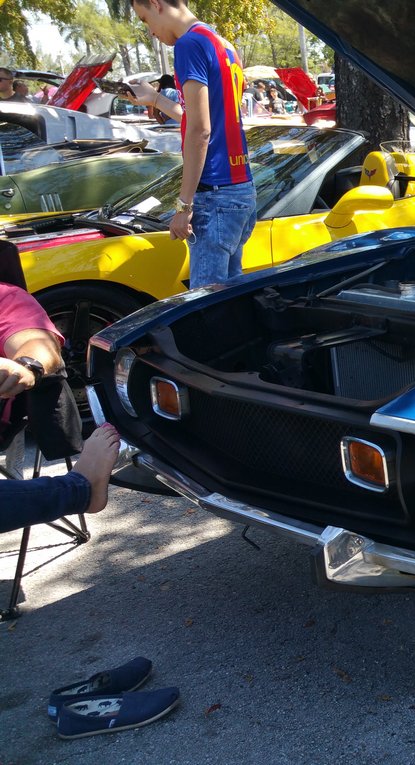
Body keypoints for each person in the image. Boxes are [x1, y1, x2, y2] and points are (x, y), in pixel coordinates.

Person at [126, 0, 255, 289]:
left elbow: (200, 131)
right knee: (231, 297)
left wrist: (183, 206)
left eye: (145, 19)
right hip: (240, 188)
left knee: (205, 302)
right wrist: (154, 99)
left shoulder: (189, 44)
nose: (151, 32)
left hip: (215, 192)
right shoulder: (222, 44)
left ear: (156, 4)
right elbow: (204, 119)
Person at [0, 281, 119, 533]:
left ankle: (80, 489)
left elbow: (38, 343)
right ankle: (77, 490)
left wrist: (26, 366)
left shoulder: (5, 297)